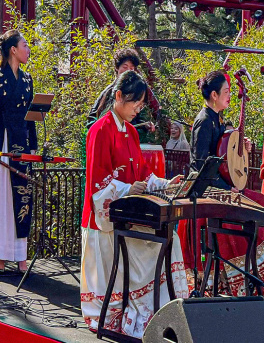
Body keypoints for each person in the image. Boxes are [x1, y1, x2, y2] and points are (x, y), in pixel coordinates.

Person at [80, 70, 189, 337]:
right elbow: (98, 184)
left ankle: (160, 312)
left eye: (141, 105)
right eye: (135, 104)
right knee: (156, 246)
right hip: (104, 223)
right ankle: (134, 314)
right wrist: (129, 188)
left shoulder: (130, 131)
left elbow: (141, 175)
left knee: (169, 240)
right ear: (118, 97)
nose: (137, 110)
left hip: (127, 215)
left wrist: (165, 183)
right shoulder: (99, 130)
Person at [181, 71, 264, 304]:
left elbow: (225, 156)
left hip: (222, 187)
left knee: (260, 202)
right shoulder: (204, 121)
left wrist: (240, 146)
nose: (230, 96)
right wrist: (225, 187)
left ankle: (262, 282)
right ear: (213, 95)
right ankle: (245, 283)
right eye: (226, 92)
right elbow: (201, 166)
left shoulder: (218, 119)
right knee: (256, 204)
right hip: (207, 193)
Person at [0, 30, 38, 275]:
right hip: (1, 141)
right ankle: (0, 258)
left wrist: (33, 147)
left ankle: (21, 257)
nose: (28, 49)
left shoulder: (27, 80)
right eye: (25, 45)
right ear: (13, 49)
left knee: (21, 197)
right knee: (1, 196)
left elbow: (32, 118)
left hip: (21, 142)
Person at [86, 48, 159, 142]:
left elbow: (138, 119)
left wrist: (144, 126)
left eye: (131, 68)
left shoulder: (137, 91)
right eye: (125, 67)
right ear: (117, 68)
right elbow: (92, 120)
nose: (128, 71)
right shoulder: (108, 92)